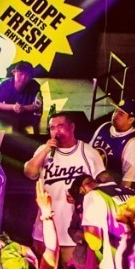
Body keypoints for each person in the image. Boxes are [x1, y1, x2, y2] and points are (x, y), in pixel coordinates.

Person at [23, 110, 105, 260]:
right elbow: (29, 173)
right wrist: (46, 150)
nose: (56, 131)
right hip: (44, 225)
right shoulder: (44, 151)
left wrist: (81, 196)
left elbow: (101, 187)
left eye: (60, 126)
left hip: (72, 230)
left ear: (72, 127)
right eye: (52, 128)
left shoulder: (88, 152)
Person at [89, 97, 135, 186]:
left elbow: (127, 181)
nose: (115, 115)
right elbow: (88, 153)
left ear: (131, 120)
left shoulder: (133, 143)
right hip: (89, 179)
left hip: (107, 188)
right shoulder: (104, 127)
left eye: (121, 114)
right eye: (116, 111)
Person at [0, 60, 43, 131]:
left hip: (28, 120)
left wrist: (24, 108)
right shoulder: (5, 85)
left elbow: (37, 106)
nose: (23, 78)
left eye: (27, 75)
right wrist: (13, 107)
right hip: (8, 119)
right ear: (14, 72)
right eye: (21, 74)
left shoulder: (35, 85)